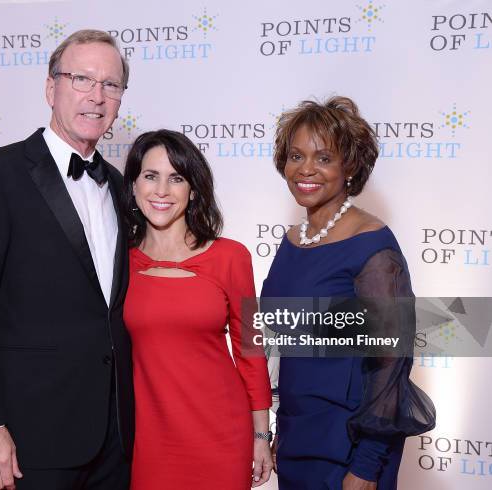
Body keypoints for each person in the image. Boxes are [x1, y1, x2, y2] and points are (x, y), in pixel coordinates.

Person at [0, 30, 134, 490]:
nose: (97, 95)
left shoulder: (122, 186)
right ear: (51, 88)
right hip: (28, 440)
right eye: (82, 79)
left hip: (117, 437)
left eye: (111, 85)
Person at [263, 97, 436, 489]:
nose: (306, 169)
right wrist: (279, 431)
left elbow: (391, 363)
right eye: (295, 156)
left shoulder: (371, 244)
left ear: (350, 166)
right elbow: (283, 344)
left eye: (324, 158)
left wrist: (367, 466)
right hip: (298, 436)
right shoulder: (293, 241)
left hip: (350, 447)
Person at [122, 129, 273, 489]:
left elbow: (250, 352)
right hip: (147, 441)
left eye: (176, 178)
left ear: (192, 190)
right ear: (133, 185)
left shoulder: (231, 257)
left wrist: (260, 438)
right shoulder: (118, 263)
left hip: (222, 436)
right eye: (150, 176)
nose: (161, 190)